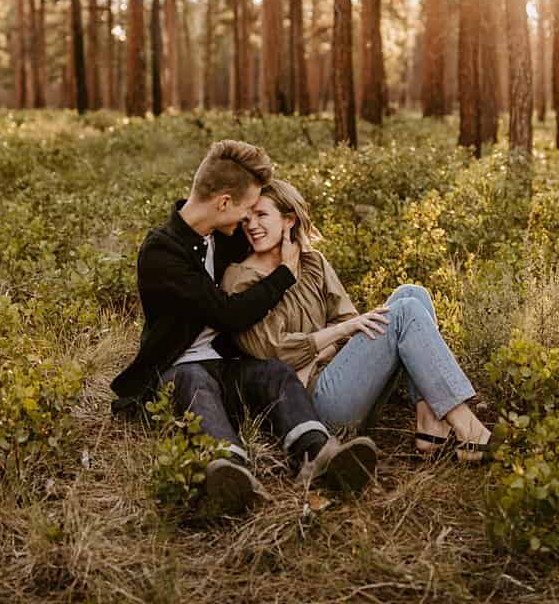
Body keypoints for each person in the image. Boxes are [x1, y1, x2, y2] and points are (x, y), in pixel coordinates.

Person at [111, 140, 378, 514]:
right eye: (245, 210)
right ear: (223, 203)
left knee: (274, 372)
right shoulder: (161, 251)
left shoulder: (225, 234)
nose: (248, 221)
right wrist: (284, 274)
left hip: (228, 367)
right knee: (193, 379)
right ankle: (231, 471)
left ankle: (318, 454)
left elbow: (277, 223)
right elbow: (229, 314)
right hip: (176, 371)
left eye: (254, 212)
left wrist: (294, 248)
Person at [222, 179, 493, 462]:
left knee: (411, 293)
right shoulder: (239, 277)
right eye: (246, 219)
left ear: (289, 219)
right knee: (404, 311)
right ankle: (469, 429)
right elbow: (271, 350)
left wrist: (318, 352)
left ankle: (430, 427)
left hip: (338, 376)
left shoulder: (312, 263)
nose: (251, 225)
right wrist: (336, 334)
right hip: (311, 406)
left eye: (262, 215)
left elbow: (348, 319)